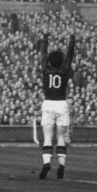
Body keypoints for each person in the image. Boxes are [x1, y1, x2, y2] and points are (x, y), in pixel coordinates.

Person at [38, 33, 75, 179]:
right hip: (61, 103)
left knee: (47, 136)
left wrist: (45, 40)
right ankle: (61, 166)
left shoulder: (46, 70)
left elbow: (42, 55)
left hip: (48, 103)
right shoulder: (65, 69)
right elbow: (70, 55)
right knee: (61, 136)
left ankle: (46, 163)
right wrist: (72, 40)